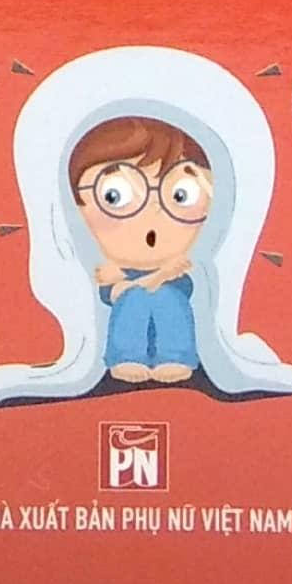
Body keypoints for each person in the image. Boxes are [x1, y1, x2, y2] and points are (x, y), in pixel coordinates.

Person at [69, 116, 213, 384]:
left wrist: (155, 277)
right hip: (137, 290)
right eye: (113, 196)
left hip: (165, 296)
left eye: (181, 196)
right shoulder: (116, 271)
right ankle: (126, 356)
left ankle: (176, 356)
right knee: (134, 298)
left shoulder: (175, 273)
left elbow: (181, 289)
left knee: (167, 297)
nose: (152, 219)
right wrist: (156, 276)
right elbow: (115, 294)